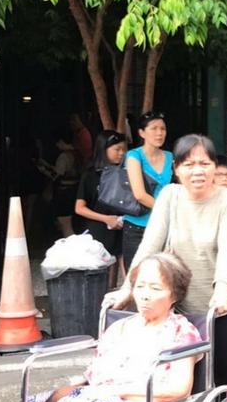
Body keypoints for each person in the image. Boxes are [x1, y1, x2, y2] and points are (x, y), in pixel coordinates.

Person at [0, 252, 201, 402]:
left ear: (174, 294)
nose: (145, 296)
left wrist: (118, 391)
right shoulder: (118, 328)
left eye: (155, 288)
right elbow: (97, 375)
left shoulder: (182, 332)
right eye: (140, 286)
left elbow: (177, 390)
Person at [109, 135, 227, 396]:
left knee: (223, 380)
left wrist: (221, 289)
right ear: (176, 169)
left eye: (204, 164)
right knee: (183, 382)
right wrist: (127, 288)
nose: (197, 171)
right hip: (181, 306)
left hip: (225, 305)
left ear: (214, 167)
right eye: (188, 164)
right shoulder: (170, 196)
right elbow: (150, 244)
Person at [75, 130, 127, 288]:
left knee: (130, 272)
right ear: (103, 150)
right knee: (100, 276)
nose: (121, 153)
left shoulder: (126, 173)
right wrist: (106, 218)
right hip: (99, 230)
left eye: (123, 149)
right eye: (117, 150)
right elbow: (79, 208)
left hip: (123, 226)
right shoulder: (91, 175)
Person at [122, 111, 173, 271]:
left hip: (164, 225)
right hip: (137, 225)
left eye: (163, 129)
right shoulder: (134, 156)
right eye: (154, 128)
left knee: (164, 275)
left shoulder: (170, 156)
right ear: (142, 133)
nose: (159, 133)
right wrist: (168, 210)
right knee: (137, 275)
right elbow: (140, 195)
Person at [37, 128, 82, 237]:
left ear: (61, 142)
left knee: (64, 224)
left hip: (63, 193)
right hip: (74, 190)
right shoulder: (77, 154)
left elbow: (56, 176)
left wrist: (43, 170)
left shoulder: (64, 156)